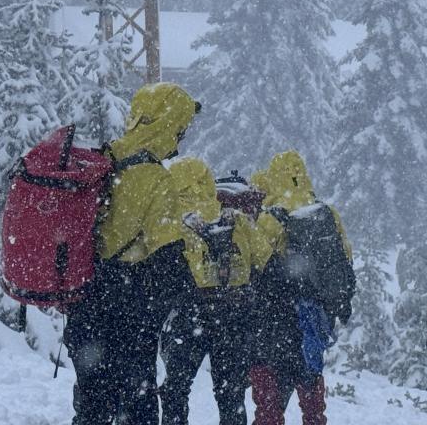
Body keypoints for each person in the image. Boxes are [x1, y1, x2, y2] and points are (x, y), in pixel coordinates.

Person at [63, 83, 201, 425]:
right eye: (180, 130)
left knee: (92, 407)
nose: (180, 139)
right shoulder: (155, 178)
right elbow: (168, 256)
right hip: (128, 312)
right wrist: (192, 295)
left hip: (85, 302)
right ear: (169, 126)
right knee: (135, 409)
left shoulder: (102, 160)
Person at [248, 152, 355, 425]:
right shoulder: (326, 213)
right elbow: (346, 260)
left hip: (275, 320)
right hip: (313, 319)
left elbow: (256, 264)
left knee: (270, 397)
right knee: (310, 388)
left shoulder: (271, 217)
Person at [160, 161, 267, 425]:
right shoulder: (237, 219)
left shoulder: (172, 223)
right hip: (233, 314)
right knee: (230, 394)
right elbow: (265, 259)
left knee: (176, 390)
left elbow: (160, 272)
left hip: (189, 315)